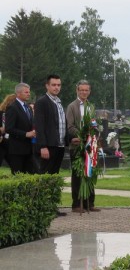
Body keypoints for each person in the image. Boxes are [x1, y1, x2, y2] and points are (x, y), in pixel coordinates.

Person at [35, 74, 74, 217]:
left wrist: (70, 139)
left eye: (58, 85)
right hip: (48, 147)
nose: (56, 87)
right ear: (47, 86)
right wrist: (43, 146)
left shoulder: (58, 102)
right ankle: (42, 207)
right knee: (45, 177)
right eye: (53, 85)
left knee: (54, 177)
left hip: (60, 145)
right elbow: (40, 126)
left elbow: (61, 126)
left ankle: (52, 206)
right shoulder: (42, 102)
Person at [66, 80, 100, 213]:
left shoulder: (91, 106)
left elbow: (93, 123)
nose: (84, 92)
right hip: (77, 144)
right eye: (82, 90)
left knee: (90, 173)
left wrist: (94, 132)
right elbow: (70, 126)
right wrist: (81, 135)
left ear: (89, 92)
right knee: (77, 175)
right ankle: (76, 204)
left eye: (86, 90)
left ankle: (90, 203)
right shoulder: (72, 106)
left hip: (90, 145)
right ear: (77, 91)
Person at [5, 83, 36, 175]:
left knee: (29, 176)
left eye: (29, 92)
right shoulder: (12, 107)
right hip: (17, 150)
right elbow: (9, 128)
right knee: (18, 176)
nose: (29, 94)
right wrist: (25, 134)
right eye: (26, 92)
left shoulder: (29, 108)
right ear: (18, 93)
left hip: (29, 149)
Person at [0, 94, 16, 168]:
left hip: (11, 142)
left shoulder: (17, 113)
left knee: (14, 165)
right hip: (2, 140)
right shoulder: (1, 113)